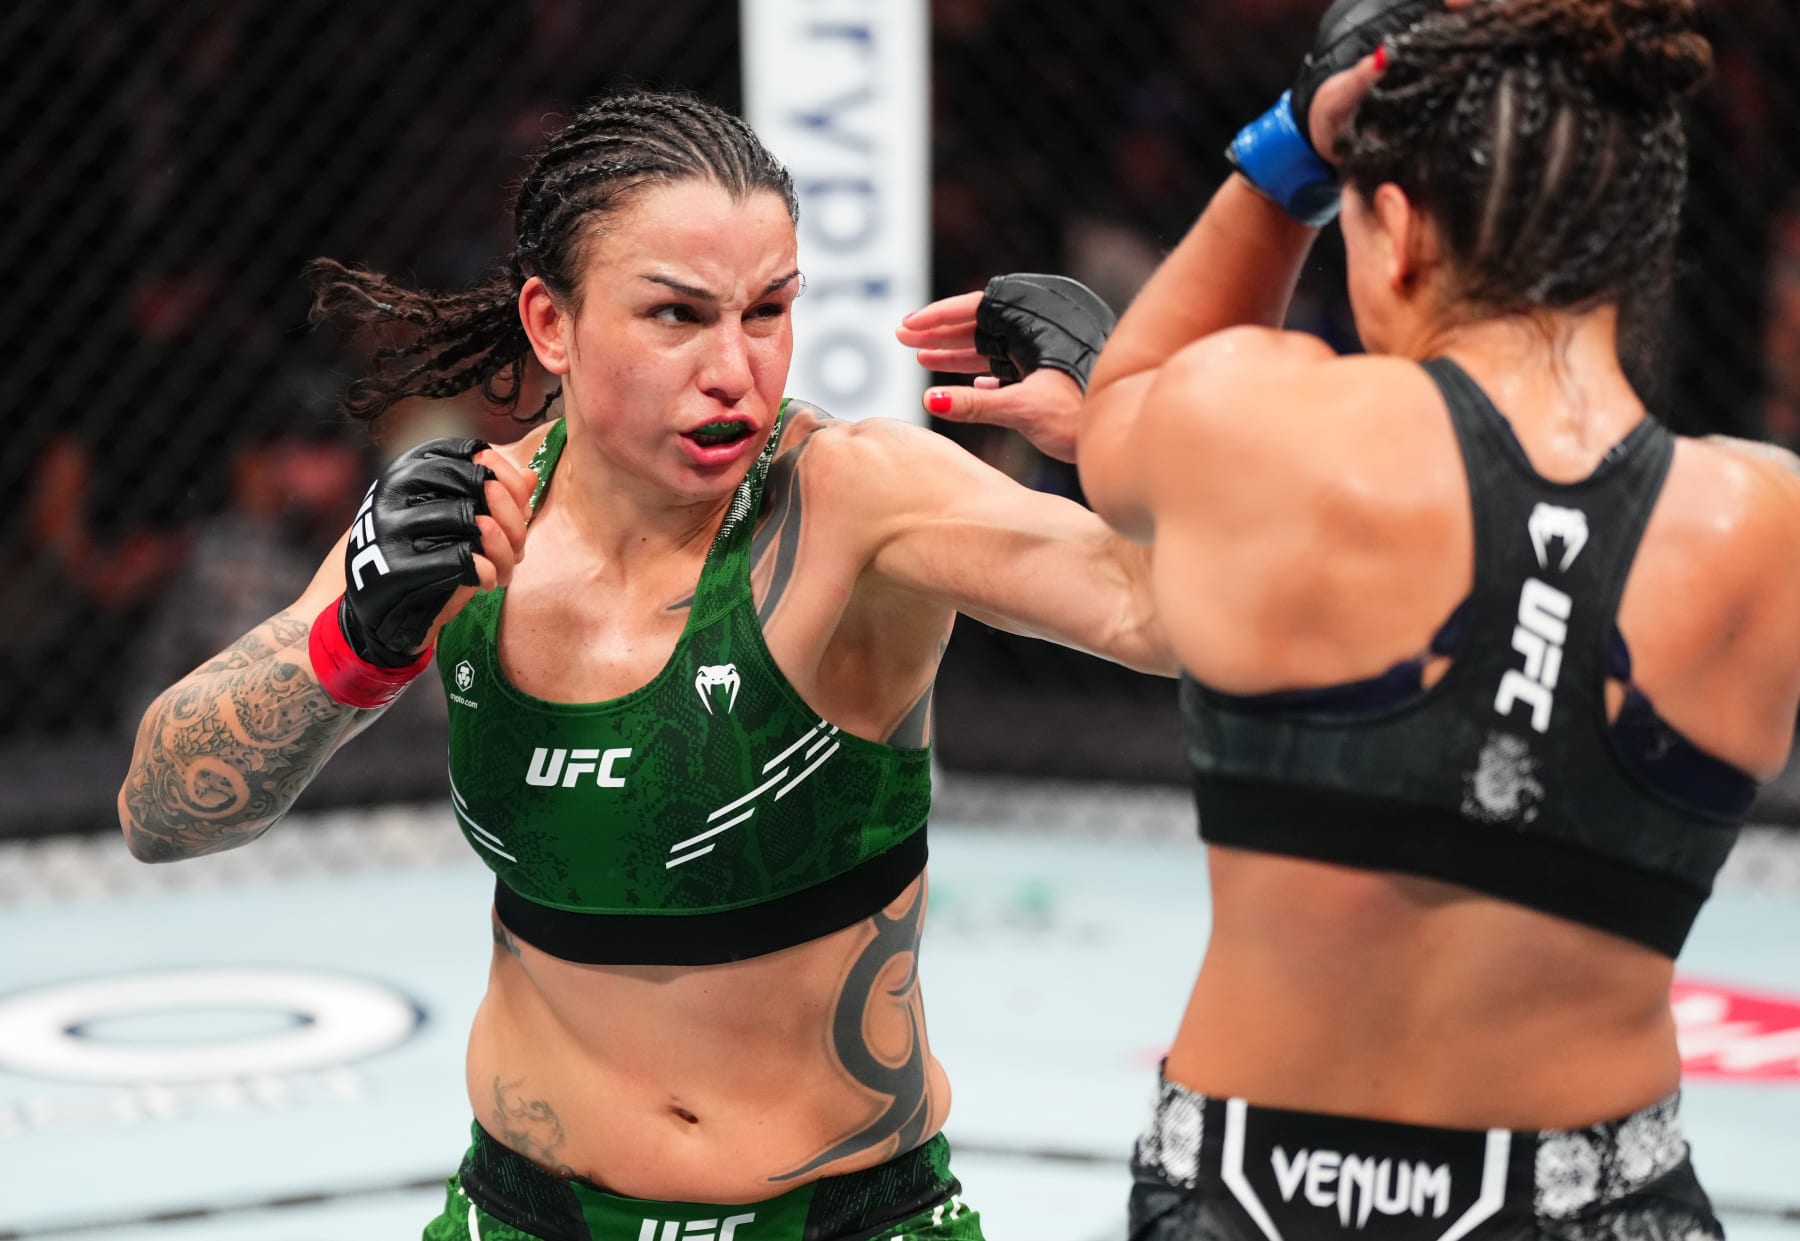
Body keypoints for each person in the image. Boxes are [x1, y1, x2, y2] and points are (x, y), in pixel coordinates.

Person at [114, 89, 1186, 1241]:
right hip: (528, 1214)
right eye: (678, 315)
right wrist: (353, 643)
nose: (736, 367)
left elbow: (1172, 618)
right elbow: (163, 810)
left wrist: (1143, 429)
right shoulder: (472, 522)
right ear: (551, 324)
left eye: (769, 310)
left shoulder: (853, 499)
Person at [922, 0, 1800, 1237]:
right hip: (1594, 1200)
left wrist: (1290, 152)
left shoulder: (1259, 425)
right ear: (1638, 249)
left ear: (1390, 230)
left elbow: (1126, 418)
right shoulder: (1767, 524)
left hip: (1246, 1192)